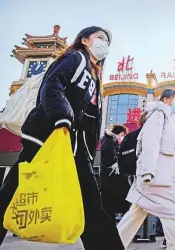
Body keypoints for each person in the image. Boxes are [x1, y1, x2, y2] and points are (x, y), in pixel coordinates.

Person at [0, 27, 125, 250]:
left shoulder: (94, 75)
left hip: (76, 147)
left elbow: (88, 116)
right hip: (49, 135)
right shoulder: (76, 58)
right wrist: (61, 117)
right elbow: (53, 84)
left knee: (91, 203)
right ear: (85, 40)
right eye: (100, 38)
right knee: (13, 190)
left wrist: (88, 148)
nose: (104, 44)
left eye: (108, 41)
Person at [117, 88, 175, 250]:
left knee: (137, 212)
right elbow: (150, 143)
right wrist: (147, 172)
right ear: (168, 99)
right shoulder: (159, 115)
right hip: (157, 176)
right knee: (170, 211)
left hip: (162, 175)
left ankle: (113, 244)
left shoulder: (168, 117)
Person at [100, 124, 129, 220]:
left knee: (112, 208)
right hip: (112, 181)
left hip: (112, 181)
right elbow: (111, 161)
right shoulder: (108, 142)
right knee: (113, 207)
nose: (123, 138)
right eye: (123, 135)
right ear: (119, 133)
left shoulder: (110, 141)